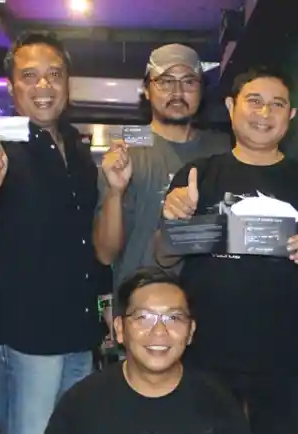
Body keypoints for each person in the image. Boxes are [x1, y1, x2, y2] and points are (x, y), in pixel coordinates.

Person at [157, 65, 298, 434]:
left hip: (285, 356)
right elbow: (164, 256)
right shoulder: (199, 175)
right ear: (231, 107)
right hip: (206, 351)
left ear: (291, 116)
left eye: (277, 104)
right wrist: (175, 219)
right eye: (254, 101)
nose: (265, 113)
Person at [0, 32, 110, 434]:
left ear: (68, 82)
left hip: (78, 330)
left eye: (54, 74)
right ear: (12, 87)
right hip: (24, 332)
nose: (43, 86)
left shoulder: (79, 151)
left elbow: (87, 243)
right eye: (30, 76)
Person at [23, 268, 271, 434]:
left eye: (173, 318)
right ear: (120, 329)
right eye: (144, 318)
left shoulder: (216, 400)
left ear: (191, 332)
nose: (159, 331)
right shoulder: (84, 398)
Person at [93, 44, 231, 289]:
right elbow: (105, 254)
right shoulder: (125, 150)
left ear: (201, 90)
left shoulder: (223, 149)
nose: (177, 92)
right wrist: (115, 191)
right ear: (147, 90)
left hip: (207, 299)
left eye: (189, 82)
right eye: (165, 82)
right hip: (141, 299)